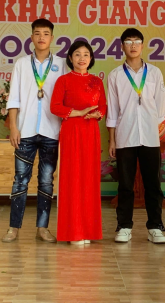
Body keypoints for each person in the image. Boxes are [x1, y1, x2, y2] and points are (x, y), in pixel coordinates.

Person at [2, 18, 66, 243]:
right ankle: (13, 228)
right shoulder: (21, 64)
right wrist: (14, 127)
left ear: (52, 37)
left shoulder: (62, 64)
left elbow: (67, 98)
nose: (41, 37)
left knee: (46, 182)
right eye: (37, 33)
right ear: (31, 37)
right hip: (26, 131)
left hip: (52, 131)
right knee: (20, 180)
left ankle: (42, 228)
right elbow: (14, 98)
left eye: (46, 33)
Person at [107, 28, 165, 244]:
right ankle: (124, 226)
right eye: (128, 41)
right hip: (125, 136)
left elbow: (161, 106)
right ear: (121, 46)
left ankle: (155, 227)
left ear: (142, 45)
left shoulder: (154, 73)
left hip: (150, 137)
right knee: (125, 184)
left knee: (153, 184)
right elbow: (112, 110)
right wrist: (112, 139)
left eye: (136, 41)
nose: (132, 45)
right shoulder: (115, 75)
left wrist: (152, 125)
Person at [50, 41, 107, 245]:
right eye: (77, 54)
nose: (82, 58)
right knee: (72, 178)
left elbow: (103, 106)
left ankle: (88, 230)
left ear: (91, 59)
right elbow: (55, 107)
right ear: (70, 58)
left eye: (86, 54)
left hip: (91, 131)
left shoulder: (97, 81)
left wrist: (98, 114)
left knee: (89, 178)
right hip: (71, 131)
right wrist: (79, 112)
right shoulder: (63, 80)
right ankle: (73, 232)